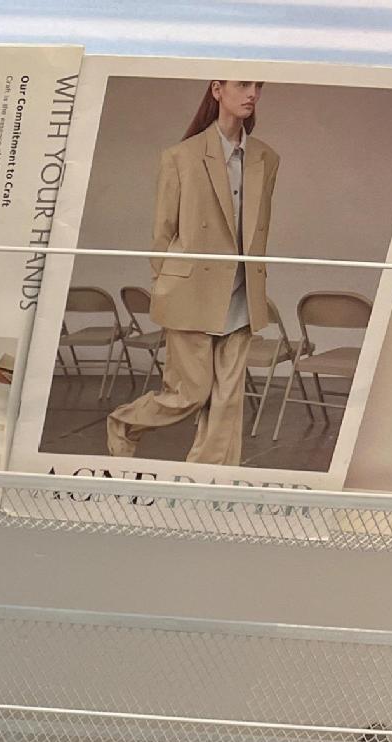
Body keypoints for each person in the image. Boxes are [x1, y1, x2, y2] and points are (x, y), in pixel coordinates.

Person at [106, 78, 277, 467]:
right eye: (243, 84)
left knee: (227, 401)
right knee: (189, 394)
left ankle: (205, 481)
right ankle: (125, 423)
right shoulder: (181, 156)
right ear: (217, 89)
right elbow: (162, 233)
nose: (252, 93)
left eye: (258, 86)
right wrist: (166, 285)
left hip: (242, 294)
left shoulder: (267, 158)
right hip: (191, 293)